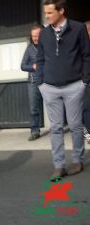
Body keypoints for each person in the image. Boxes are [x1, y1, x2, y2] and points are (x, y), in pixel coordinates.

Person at [36, 0, 90, 180]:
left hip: (74, 86)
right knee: (56, 128)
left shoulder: (78, 28)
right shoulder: (44, 33)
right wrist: (40, 83)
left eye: (50, 13)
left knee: (75, 126)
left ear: (61, 11)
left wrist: (84, 81)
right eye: (46, 13)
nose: (47, 16)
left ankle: (77, 161)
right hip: (50, 88)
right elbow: (40, 58)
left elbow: (86, 55)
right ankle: (58, 165)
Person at [21, 25, 43, 141]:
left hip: (48, 81)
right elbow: (22, 66)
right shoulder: (29, 49)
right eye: (33, 36)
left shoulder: (48, 46)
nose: (35, 38)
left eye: (37, 35)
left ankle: (57, 129)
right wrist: (33, 66)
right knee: (34, 109)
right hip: (33, 82)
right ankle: (35, 131)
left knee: (54, 106)